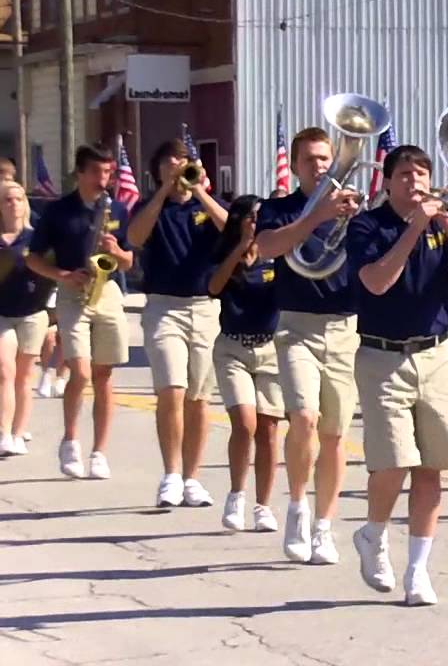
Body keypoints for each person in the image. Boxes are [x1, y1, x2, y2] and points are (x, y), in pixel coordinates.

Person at [347, 145, 448, 605]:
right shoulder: (368, 225)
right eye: (405, 174)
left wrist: (446, 221)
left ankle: (418, 572)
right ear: (388, 181)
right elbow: (376, 281)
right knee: (393, 461)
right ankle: (373, 534)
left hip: (438, 354)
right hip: (382, 356)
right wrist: (414, 228)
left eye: (422, 173)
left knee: (431, 468)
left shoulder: (442, 226)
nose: (416, 181)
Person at [254, 127, 359, 565]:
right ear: (295, 165)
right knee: (304, 417)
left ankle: (323, 526)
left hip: (344, 327)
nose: (319, 166)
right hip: (296, 326)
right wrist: (317, 217)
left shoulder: (353, 209)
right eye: (310, 159)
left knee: (335, 436)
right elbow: (265, 248)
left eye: (324, 158)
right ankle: (297, 506)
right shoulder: (279, 209)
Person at [126, 139, 228, 508]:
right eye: (171, 161)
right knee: (171, 388)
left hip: (204, 308)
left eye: (184, 160)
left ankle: (192, 478)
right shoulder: (150, 207)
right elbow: (134, 237)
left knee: (198, 397)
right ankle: (170, 474)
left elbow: (232, 230)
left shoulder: (204, 207)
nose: (179, 165)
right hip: (163, 307)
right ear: (157, 170)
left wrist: (199, 191)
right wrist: (163, 193)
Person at [26, 145, 135, 480]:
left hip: (108, 290)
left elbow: (129, 261)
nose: (104, 179)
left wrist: (117, 251)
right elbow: (33, 258)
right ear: (80, 173)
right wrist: (62, 276)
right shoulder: (58, 211)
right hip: (73, 292)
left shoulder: (116, 208)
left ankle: (99, 451)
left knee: (104, 376)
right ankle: (70, 440)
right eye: (97, 173)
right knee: (81, 372)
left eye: (108, 173)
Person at [208, 196, 284, 532]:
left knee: (268, 430)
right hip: (232, 348)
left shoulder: (276, 256)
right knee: (244, 423)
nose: (257, 223)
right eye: (252, 217)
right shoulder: (227, 252)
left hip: (270, 349)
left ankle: (263, 505)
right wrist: (241, 248)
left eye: (261, 218)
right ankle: (236, 494)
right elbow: (213, 287)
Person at [0, 183, 53, 456]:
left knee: (24, 375)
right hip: (2, 314)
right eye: (7, 200)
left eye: (18, 199)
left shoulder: (36, 238)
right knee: (4, 371)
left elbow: (51, 270)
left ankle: (19, 433)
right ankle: (4, 432)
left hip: (32, 312)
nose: (13, 204)